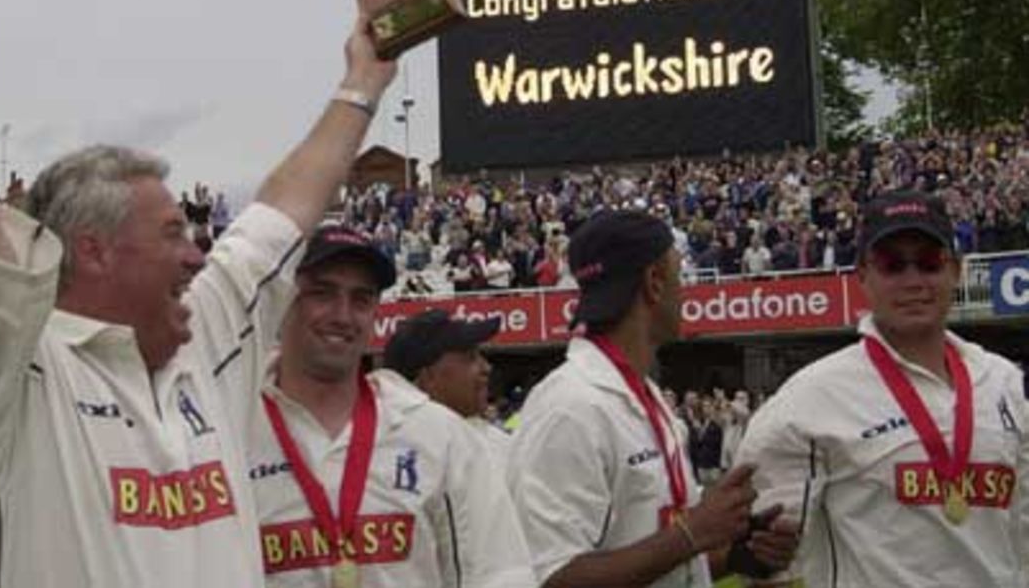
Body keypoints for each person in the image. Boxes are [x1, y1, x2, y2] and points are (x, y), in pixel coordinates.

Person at [0, 0, 397, 586]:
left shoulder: (206, 338)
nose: (199, 255)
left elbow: (285, 208)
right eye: (173, 234)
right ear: (95, 249)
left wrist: (362, 82)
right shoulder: (17, 369)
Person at [735, 190, 1029, 586]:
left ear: (955, 271)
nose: (913, 281)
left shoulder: (1002, 381)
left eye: (928, 263)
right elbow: (766, 560)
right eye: (892, 265)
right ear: (863, 277)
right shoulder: (810, 398)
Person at [505, 210, 798, 587]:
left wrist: (739, 555)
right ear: (655, 282)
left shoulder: (645, 396)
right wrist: (691, 532)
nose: (686, 290)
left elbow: (657, 556)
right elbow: (550, 577)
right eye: (680, 275)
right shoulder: (570, 407)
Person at [248, 226, 534, 586]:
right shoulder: (232, 432)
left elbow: (501, 575)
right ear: (283, 301)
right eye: (322, 293)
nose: (343, 315)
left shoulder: (438, 435)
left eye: (361, 299)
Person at [382, 308, 511, 465]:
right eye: (470, 358)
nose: (486, 367)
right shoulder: (391, 455)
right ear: (428, 376)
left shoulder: (500, 445)